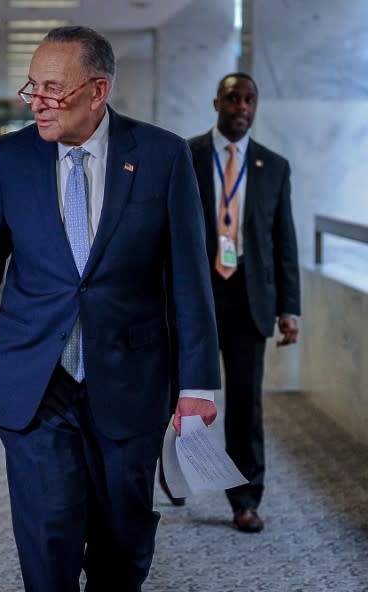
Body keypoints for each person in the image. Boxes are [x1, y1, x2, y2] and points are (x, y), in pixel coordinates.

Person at [0, 26, 221, 592]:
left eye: (53, 89)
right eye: (32, 88)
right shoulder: (10, 158)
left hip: (129, 378)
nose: (37, 101)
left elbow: (190, 279)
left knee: (122, 534)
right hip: (33, 379)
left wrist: (199, 384)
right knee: (48, 531)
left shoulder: (163, 156)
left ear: (98, 91)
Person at [182, 72, 300, 532]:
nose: (242, 106)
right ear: (217, 102)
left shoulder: (274, 166)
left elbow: (283, 241)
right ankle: (175, 476)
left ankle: (245, 499)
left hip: (250, 300)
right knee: (185, 394)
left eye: (249, 99)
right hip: (197, 297)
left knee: (247, 405)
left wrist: (289, 308)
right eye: (233, 98)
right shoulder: (187, 156)